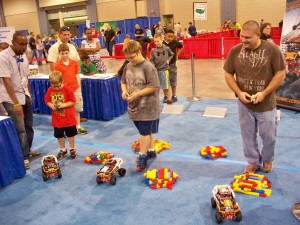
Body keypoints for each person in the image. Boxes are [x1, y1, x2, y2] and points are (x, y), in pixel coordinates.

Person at [224, 20, 286, 174]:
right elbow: (228, 73)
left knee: (269, 136)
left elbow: (280, 73)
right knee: (247, 136)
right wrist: (239, 92)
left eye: (247, 38)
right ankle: (253, 162)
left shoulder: (272, 50)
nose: (243, 40)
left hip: (266, 104)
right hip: (244, 104)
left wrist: (264, 93)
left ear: (258, 35)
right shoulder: (235, 51)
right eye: (241, 36)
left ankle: (266, 160)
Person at [0, 32, 42, 169]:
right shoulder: (3, 57)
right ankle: (23, 157)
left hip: (24, 95)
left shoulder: (23, 56)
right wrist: (16, 103)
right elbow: (6, 81)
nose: (24, 47)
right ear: (13, 42)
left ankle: (27, 151)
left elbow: (26, 77)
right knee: (20, 129)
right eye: (21, 44)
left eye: (25, 44)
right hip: (10, 98)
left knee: (29, 127)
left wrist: (29, 95)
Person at [121, 40, 160, 171]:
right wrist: (124, 91)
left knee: (143, 132)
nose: (130, 60)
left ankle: (142, 156)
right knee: (145, 131)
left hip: (148, 107)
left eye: (132, 57)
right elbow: (123, 81)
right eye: (127, 58)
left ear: (139, 52)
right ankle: (151, 150)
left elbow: (154, 86)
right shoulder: (128, 66)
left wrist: (137, 94)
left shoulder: (148, 67)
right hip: (134, 106)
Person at [54, 43, 87, 135]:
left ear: (69, 52)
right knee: (64, 110)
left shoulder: (75, 63)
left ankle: (78, 126)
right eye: (62, 53)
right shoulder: (57, 66)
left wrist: (79, 87)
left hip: (75, 89)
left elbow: (77, 75)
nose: (64, 55)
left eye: (66, 53)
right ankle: (65, 128)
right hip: (64, 90)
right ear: (59, 54)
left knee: (77, 108)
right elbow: (57, 79)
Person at [44, 71, 78, 160]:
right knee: (59, 135)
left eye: (58, 86)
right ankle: (63, 149)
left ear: (62, 81)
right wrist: (52, 106)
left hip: (68, 118)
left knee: (70, 134)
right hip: (57, 119)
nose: (56, 88)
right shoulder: (50, 90)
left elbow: (73, 101)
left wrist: (63, 105)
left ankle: (72, 149)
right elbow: (47, 100)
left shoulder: (67, 89)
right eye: (53, 86)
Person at [150, 34, 174, 105]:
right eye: (155, 41)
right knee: (157, 86)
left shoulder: (167, 48)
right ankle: (159, 99)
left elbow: (172, 54)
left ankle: (169, 100)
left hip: (165, 70)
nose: (157, 43)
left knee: (166, 86)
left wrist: (168, 60)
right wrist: (153, 66)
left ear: (162, 40)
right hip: (156, 71)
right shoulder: (153, 50)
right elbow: (151, 60)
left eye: (158, 41)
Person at [163, 29, 184, 103]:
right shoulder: (162, 43)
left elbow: (181, 46)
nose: (170, 38)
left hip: (172, 64)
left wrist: (177, 54)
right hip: (163, 66)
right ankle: (165, 96)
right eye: (168, 36)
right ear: (165, 34)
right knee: (164, 81)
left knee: (173, 80)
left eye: (172, 37)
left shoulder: (175, 42)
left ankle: (174, 96)